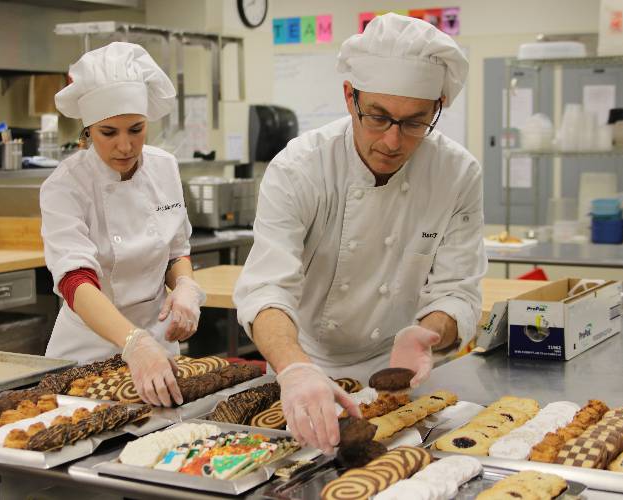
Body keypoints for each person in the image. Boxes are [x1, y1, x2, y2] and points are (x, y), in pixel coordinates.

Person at [233, 13, 487, 453]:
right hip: (307, 366)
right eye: (378, 116)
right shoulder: (300, 168)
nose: (392, 141)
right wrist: (294, 369)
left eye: (414, 123)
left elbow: (457, 292)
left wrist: (429, 331)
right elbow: (266, 289)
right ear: (350, 96)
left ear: (438, 107)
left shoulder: (457, 174)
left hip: (400, 372)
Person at [40, 42, 206, 408]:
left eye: (136, 129)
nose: (125, 145)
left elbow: (175, 250)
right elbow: (74, 281)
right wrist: (134, 342)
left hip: (158, 348)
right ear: (87, 131)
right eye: (108, 133)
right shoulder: (65, 185)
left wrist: (185, 287)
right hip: (88, 353)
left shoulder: (164, 168)